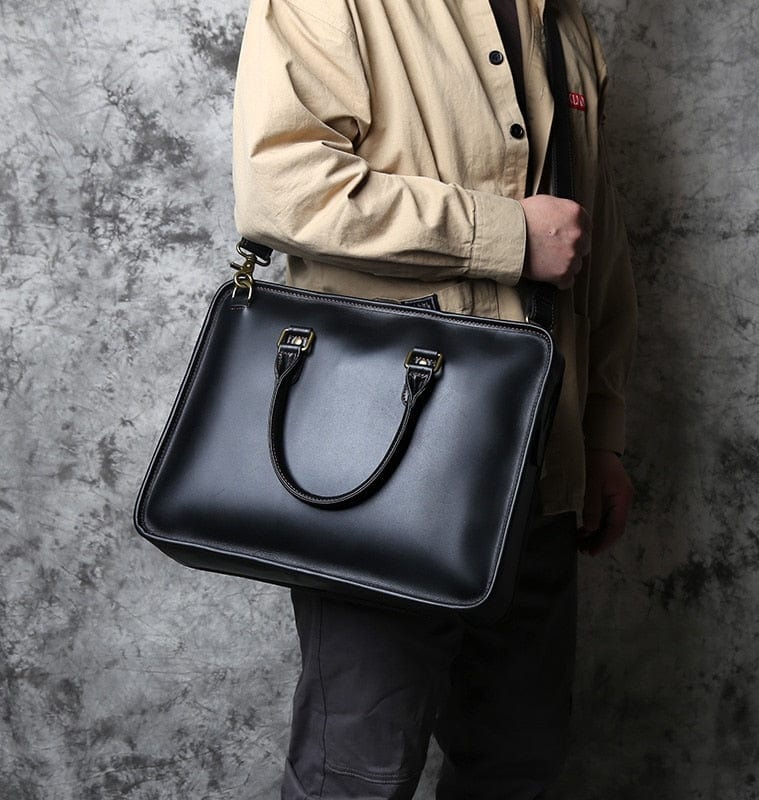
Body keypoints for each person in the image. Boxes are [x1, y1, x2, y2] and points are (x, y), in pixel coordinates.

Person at [232, 0, 637, 797]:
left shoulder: (567, 26)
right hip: (376, 483)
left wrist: (600, 437)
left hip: (541, 472)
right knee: (356, 773)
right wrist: (507, 235)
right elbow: (281, 188)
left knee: (517, 764)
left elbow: (599, 241)